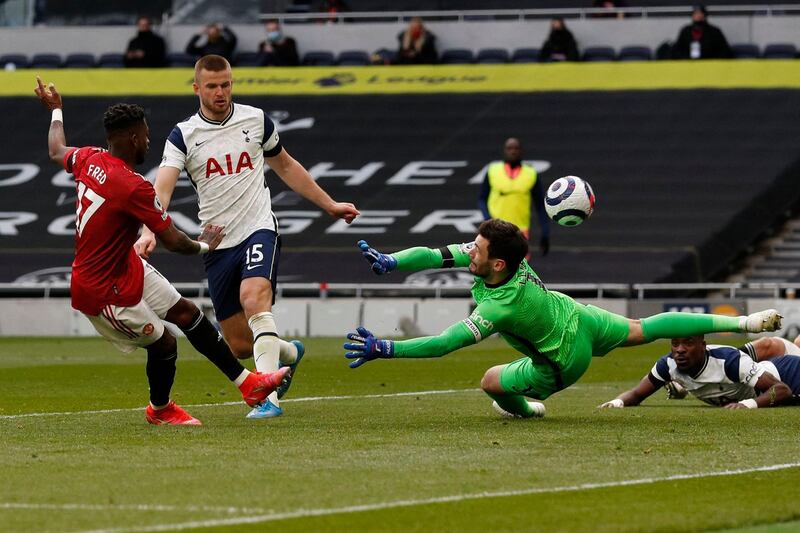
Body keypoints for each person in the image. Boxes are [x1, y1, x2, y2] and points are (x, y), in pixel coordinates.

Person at [34, 77, 289, 425]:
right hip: (101, 291)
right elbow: (173, 241)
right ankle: (160, 408)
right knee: (166, 342)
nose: (149, 141)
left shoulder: (88, 158)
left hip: (125, 264)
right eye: (147, 135)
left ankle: (249, 385)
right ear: (134, 137)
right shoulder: (134, 186)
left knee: (188, 314)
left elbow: (56, 150)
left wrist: (56, 110)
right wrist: (205, 245)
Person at [343, 218, 783, 419]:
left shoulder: (497, 307)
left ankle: (529, 410)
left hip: (563, 360)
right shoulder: (503, 259)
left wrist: (386, 348)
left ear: (497, 265)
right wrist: (391, 261)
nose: (467, 251)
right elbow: (432, 253)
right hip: (578, 315)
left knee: (491, 382)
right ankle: (743, 323)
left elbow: (444, 343)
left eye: (475, 249)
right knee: (643, 329)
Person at [134, 55, 360, 419]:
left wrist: (330, 204)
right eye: (212, 86)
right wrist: (149, 231)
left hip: (258, 227)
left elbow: (286, 165)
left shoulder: (255, 120)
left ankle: (267, 398)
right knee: (240, 345)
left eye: (226, 84)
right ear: (197, 89)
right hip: (217, 245)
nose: (221, 92)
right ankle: (288, 353)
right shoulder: (183, 135)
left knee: (254, 298)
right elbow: (162, 188)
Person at [598, 335, 800, 410]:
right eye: (675, 344)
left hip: (789, 374)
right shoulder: (667, 365)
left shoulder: (729, 361)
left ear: (703, 345)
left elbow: (781, 390)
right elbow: (635, 395)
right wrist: (617, 402)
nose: (680, 350)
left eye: (688, 343)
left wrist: (746, 405)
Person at [478, 137, 549, 257]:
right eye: (509, 148)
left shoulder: (531, 174)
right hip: (495, 231)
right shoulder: (492, 171)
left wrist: (545, 232)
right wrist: (488, 220)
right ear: (504, 151)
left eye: (516, 148)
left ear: (521, 151)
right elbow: (482, 199)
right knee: (494, 267)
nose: (513, 151)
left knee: (519, 269)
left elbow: (540, 206)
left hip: (519, 232)